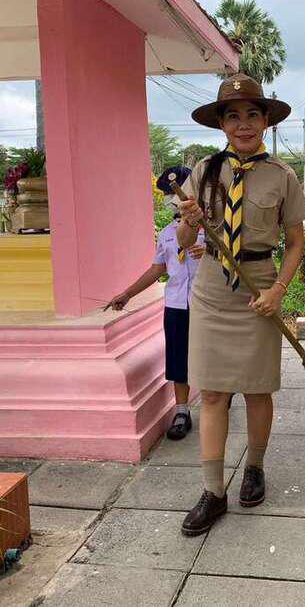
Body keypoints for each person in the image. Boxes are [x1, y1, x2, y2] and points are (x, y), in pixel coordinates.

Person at [176, 74, 305, 535]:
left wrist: (278, 291)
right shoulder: (204, 171)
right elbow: (185, 239)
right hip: (213, 288)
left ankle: (254, 467)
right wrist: (190, 221)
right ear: (222, 125)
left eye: (253, 114)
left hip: (259, 286)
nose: (244, 124)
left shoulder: (282, 175)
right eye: (233, 116)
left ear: (266, 121)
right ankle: (213, 491)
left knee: (257, 389)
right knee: (213, 392)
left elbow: (296, 242)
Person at [106, 166, 205, 440]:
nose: (171, 198)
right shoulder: (168, 233)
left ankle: (219, 400)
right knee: (177, 357)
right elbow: (157, 268)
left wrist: (211, 252)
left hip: (206, 303)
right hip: (176, 304)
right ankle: (182, 411)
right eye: (166, 193)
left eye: (174, 191)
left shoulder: (211, 227)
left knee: (211, 354)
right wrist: (127, 294)